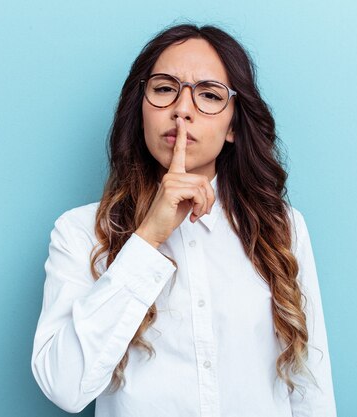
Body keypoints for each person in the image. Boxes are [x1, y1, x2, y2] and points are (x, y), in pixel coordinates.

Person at [31, 23, 337, 417]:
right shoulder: (80, 231)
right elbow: (64, 386)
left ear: (233, 126)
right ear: (139, 108)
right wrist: (147, 239)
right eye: (163, 89)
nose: (183, 109)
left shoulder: (282, 227)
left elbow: (311, 386)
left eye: (209, 95)